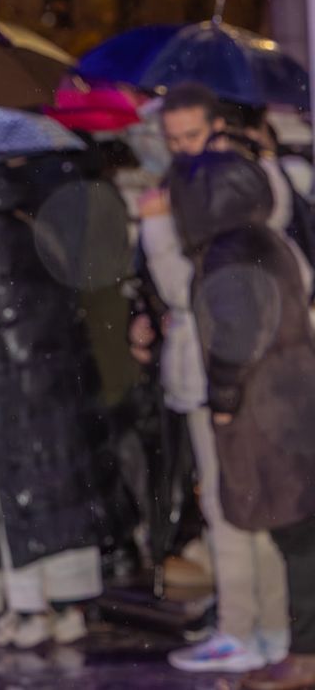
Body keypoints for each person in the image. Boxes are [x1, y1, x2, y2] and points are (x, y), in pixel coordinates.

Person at [131, 83, 292, 673]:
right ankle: (266, 628)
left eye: (192, 136)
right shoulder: (248, 180)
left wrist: (154, 231)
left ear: (219, 129)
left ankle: (243, 630)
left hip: (222, 373)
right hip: (240, 370)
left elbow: (190, 291)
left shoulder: (230, 189)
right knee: (251, 503)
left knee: (233, 505)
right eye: (173, 139)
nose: (182, 149)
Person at [0, 155, 105, 650]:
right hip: (48, 381)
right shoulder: (26, 217)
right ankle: (69, 607)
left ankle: (27, 609)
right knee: (55, 490)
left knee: (11, 496)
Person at [171, 144, 315, 690]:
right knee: (298, 530)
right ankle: (298, 647)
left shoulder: (230, 252)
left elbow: (236, 333)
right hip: (292, 401)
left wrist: (225, 401)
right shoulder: (263, 241)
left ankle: (305, 653)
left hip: (266, 410)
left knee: (297, 536)